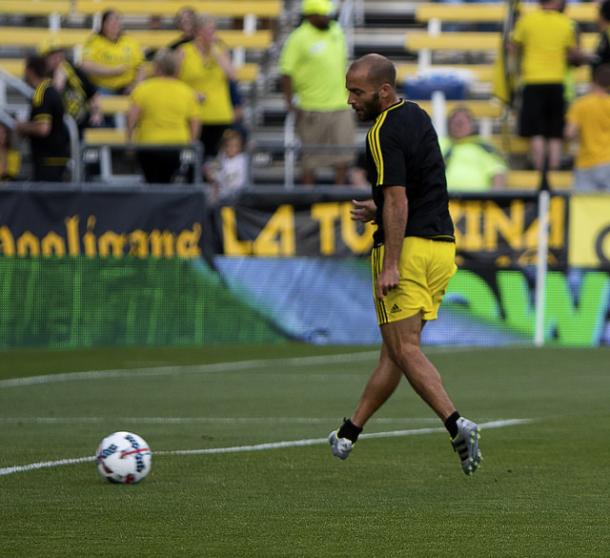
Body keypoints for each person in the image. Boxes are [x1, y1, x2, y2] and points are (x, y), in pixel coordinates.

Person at [329, 54, 482, 476]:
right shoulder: (417, 115)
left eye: (356, 92)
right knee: (396, 354)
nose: (350, 100)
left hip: (407, 253)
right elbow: (418, 189)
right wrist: (378, 210)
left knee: (405, 349)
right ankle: (349, 432)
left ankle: (456, 423)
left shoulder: (380, 132)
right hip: (440, 248)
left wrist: (391, 262)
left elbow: (398, 198)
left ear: (382, 91)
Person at [279, 0, 355, 185]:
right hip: (311, 106)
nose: (327, 17)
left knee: (343, 157)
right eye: (323, 14)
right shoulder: (298, 38)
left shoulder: (336, 30)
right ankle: (309, 202)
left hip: (340, 105)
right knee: (310, 160)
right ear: (311, 15)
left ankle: (340, 201)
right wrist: (290, 102)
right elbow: (286, 71)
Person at [510, 0, 583, 171]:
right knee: (555, 133)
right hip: (557, 81)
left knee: (536, 132)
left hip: (533, 80)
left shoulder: (527, 21)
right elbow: (572, 53)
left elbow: (513, 48)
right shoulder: (566, 23)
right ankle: (554, 171)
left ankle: (539, 171)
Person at [127, 49, 201, 184]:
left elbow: (132, 117)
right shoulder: (187, 91)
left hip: (148, 144)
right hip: (176, 145)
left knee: (151, 181)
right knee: (168, 182)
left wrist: (130, 140)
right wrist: (191, 142)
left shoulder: (143, 89)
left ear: (157, 68)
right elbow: (195, 122)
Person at [178, 14, 236, 160]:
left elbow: (232, 75)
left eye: (214, 30)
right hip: (193, 113)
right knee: (194, 156)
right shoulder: (184, 52)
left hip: (218, 113)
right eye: (208, 31)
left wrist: (216, 53)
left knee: (213, 158)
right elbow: (175, 80)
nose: (212, 34)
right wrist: (191, 93)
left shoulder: (220, 50)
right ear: (198, 32)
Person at [16, 55, 70, 182]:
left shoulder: (41, 92)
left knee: (46, 199)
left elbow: (43, 128)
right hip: (57, 155)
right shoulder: (50, 89)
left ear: (30, 71)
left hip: (48, 158)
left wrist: (21, 126)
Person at [39, 38, 102, 135]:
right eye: (53, 55)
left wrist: (96, 113)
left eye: (60, 54)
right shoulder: (40, 77)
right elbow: (49, 104)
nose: (58, 58)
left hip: (82, 121)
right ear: (44, 58)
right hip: (58, 125)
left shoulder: (74, 70)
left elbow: (93, 94)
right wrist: (58, 84)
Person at [565, 64, 610, 191]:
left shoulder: (580, 104)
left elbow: (569, 133)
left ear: (593, 81)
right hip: (608, 162)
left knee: (583, 205)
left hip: (586, 162)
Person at [440, 107, 507, 192]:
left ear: (472, 126)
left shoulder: (484, 147)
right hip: (443, 200)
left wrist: (495, 198)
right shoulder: (440, 143)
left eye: (462, 123)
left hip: (478, 202)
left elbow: (498, 172)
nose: (459, 126)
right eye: (455, 123)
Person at [81, 10, 145, 95]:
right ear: (103, 24)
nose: (115, 24)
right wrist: (113, 71)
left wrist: (135, 86)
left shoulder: (130, 41)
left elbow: (140, 68)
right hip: (102, 87)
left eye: (118, 21)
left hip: (128, 87)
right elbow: (86, 66)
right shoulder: (93, 41)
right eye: (111, 21)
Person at [204, 129, 249, 202]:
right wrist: (210, 175)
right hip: (222, 195)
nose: (231, 148)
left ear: (240, 147)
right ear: (223, 146)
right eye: (228, 145)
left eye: (235, 145)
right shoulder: (220, 158)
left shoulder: (243, 159)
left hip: (239, 195)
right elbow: (209, 171)